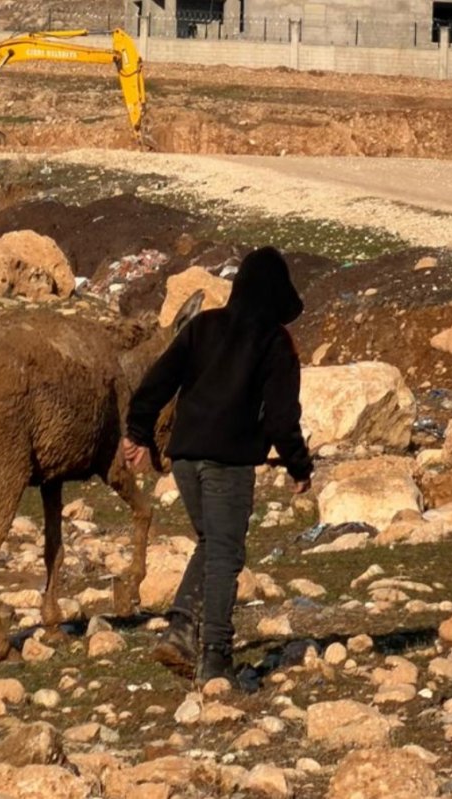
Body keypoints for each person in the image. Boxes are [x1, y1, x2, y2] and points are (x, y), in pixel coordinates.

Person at [122, 246, 313, 685]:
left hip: (186, 459)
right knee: (226, 553)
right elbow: (284, 417)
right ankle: (216, 658)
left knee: (212, 542)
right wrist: (299, 466)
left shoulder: (203, 326)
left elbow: (158, 380)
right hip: (228, 464)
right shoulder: (275, 341)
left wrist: (137, 432)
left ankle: (181, 629)